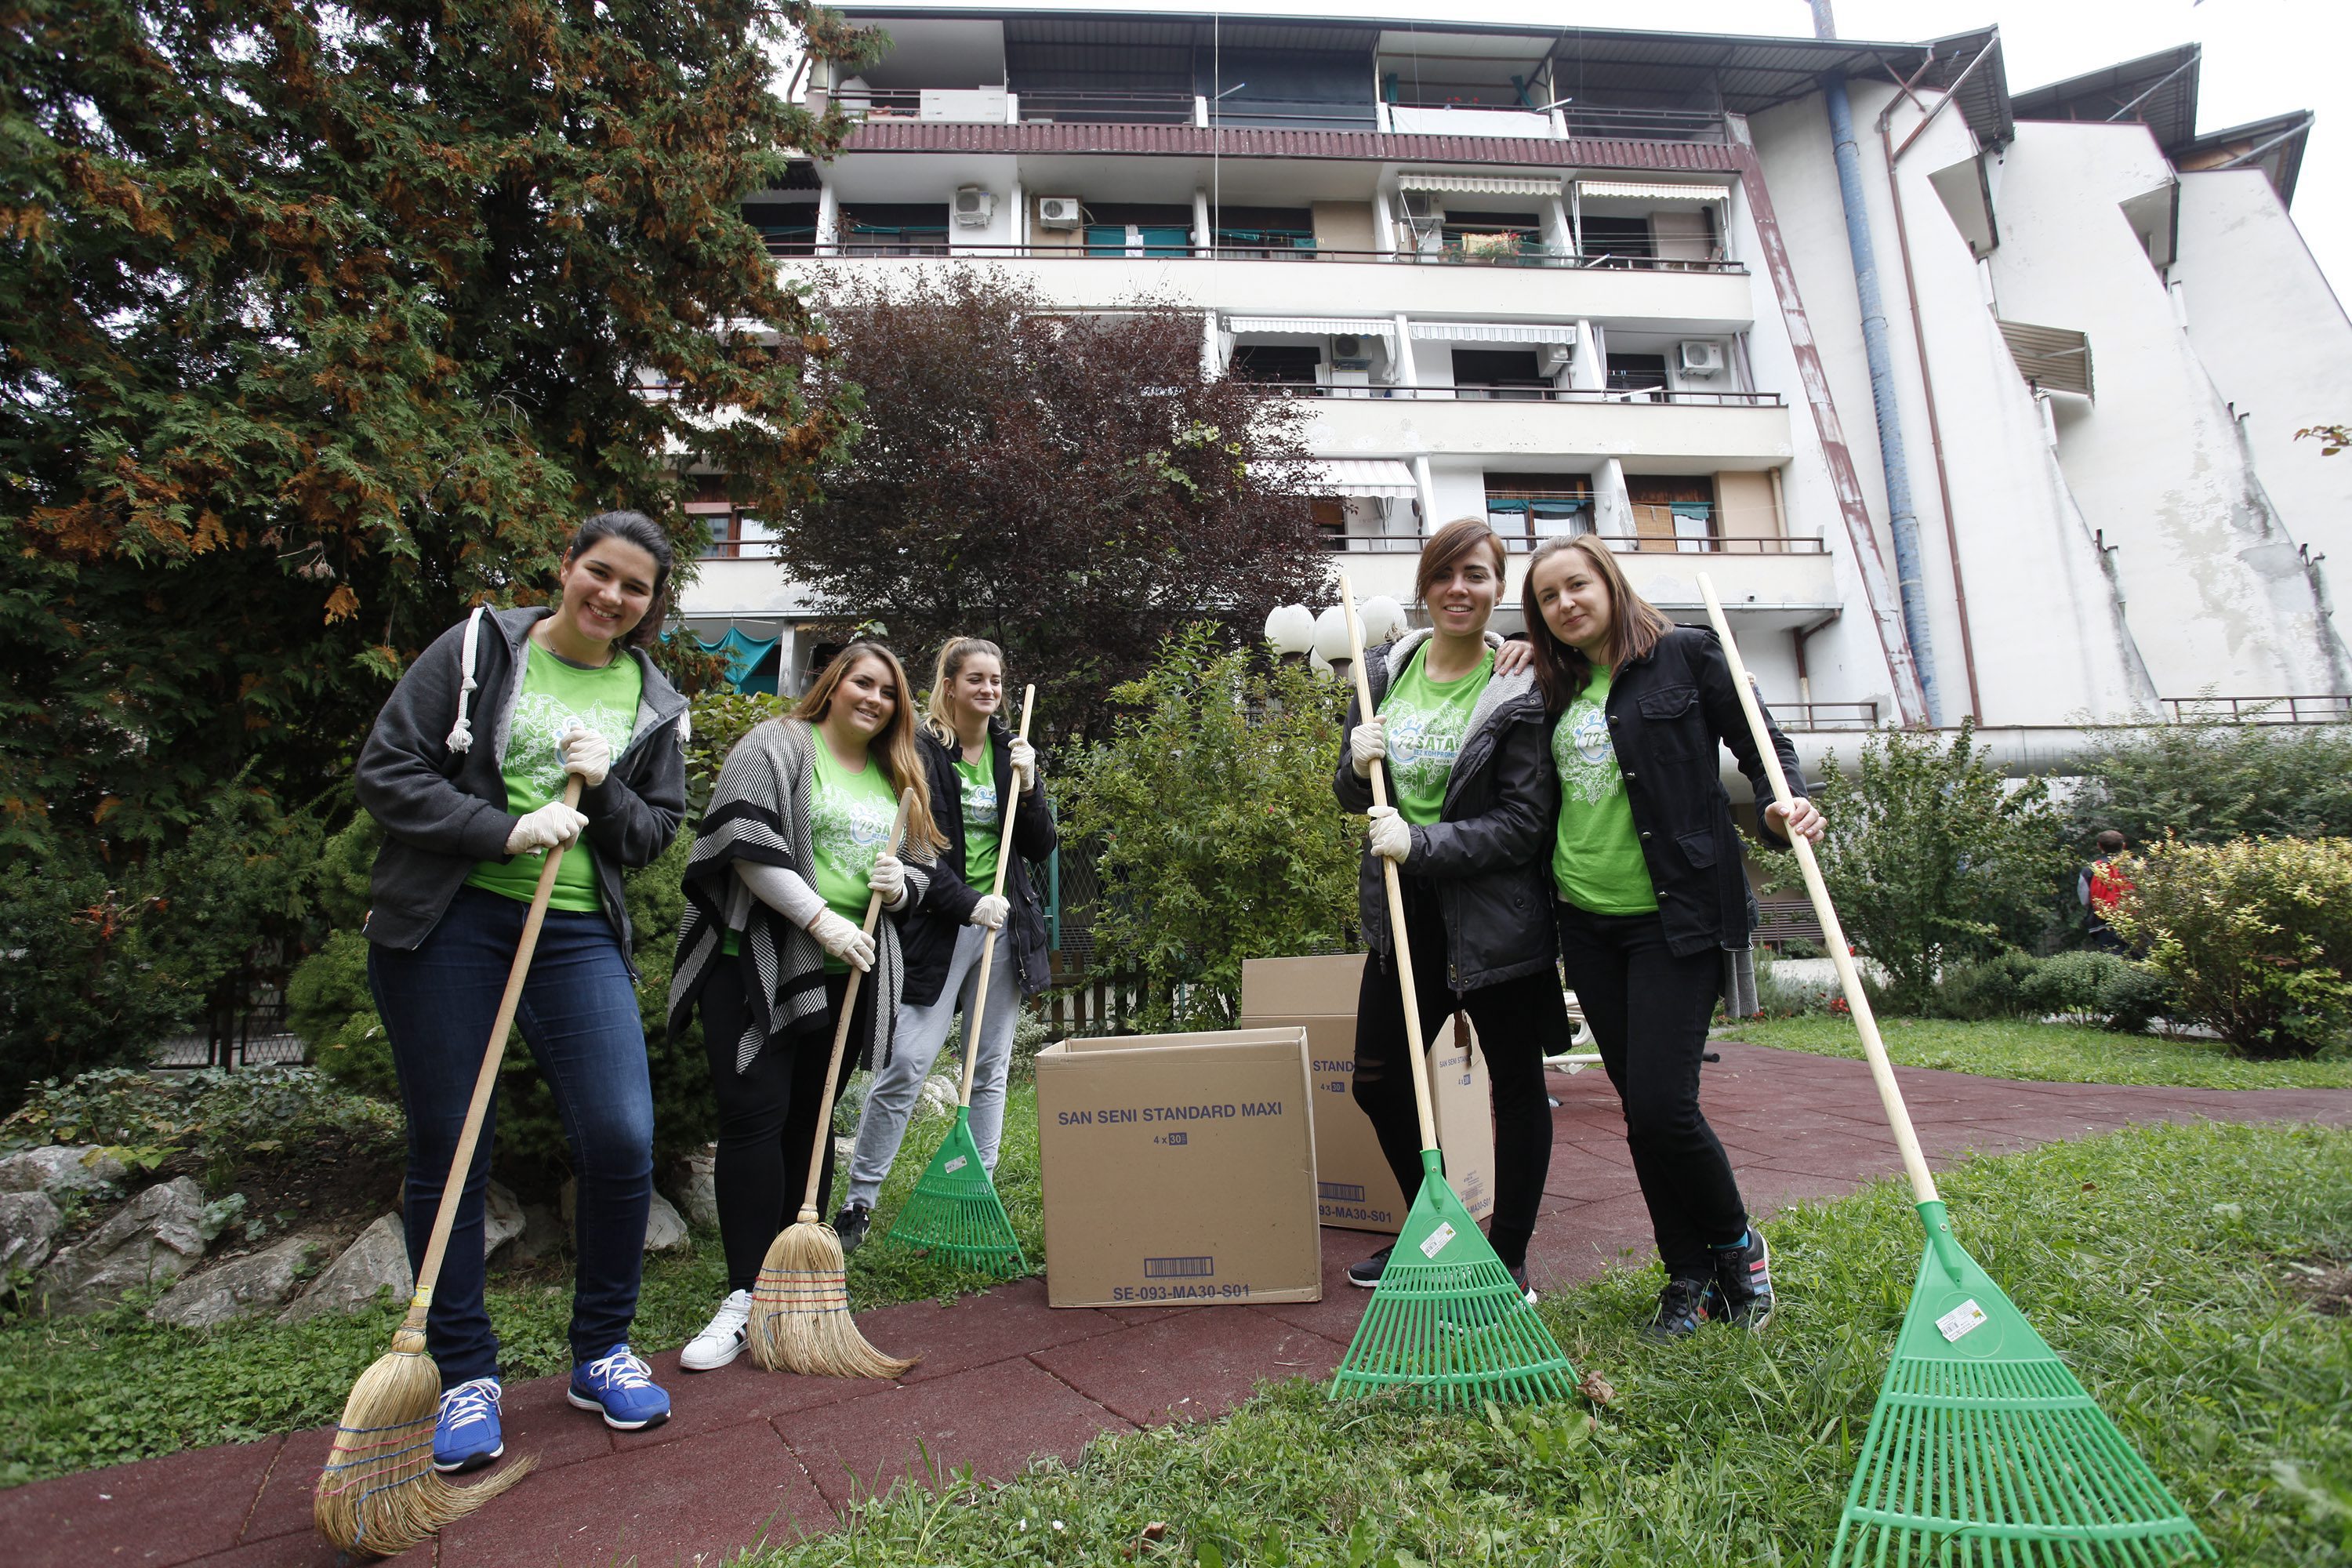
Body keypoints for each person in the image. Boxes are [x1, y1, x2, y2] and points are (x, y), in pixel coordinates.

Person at [355, 510, 689, 1472]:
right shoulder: (476, 646)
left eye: (636, 587)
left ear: (649, 604)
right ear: (566, 566)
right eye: (601, 572)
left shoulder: (651, 697)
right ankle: (465, 1369)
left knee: (623, 1134)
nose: (613, 597)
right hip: (450, 924)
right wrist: (499, 828)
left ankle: (603, 1351)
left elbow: (655, 831)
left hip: (575, 932)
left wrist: (606, 786)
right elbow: (387, 771)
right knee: (454, 1145)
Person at [1521, 534, 1821, 1338]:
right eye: (1548, 596)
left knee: (1661, 1105)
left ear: (1608, 583)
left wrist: (1781, 803)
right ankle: (1686, 1275)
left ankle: (1736, 1246)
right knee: (1640, 1109)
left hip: (1675, 916)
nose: (1566, 604)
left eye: (1576, 585)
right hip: (1586, 921)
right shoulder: (1551, 689)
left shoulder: (1687, 655)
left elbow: (1763, 749)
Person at [670, 641, 942, 1371]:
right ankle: (741, 1296)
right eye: (862, 681)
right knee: (754, 1120)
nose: (874, 698)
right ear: (833, 683)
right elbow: (745, 842)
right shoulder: (777, 743)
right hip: (757, 966)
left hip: (848, 977)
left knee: (812, 1125)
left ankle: (794, 1287)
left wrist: (904, 884)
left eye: (889, 691)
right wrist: (822, 920)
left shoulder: (900, 774)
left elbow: (926, 868)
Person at [1334, 517, 1569, 1305]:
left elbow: (1524, 824)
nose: (1458, 589)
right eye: (1444, 575)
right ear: (1425, 585)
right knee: (1377, 1081)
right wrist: (1354, 760)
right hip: (1405, 916)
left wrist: (1422, 841)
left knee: (1515, 1087)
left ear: (1499, 587)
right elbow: (1355, 797)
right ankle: (1435, 1229)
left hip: (1497, 920)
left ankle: (1509, 1260)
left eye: (1476, 575)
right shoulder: (1387, 669)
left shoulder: (1518, 682)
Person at [833, 637, 1056, 1250]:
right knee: (906, 1062)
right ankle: (860, 1198)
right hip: (941, 926)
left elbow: (1039, 846)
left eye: (997, 679)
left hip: (1004, 926)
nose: (989, 690)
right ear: (951, 685)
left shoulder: (1013, 749)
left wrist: (1031, 786)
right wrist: (967, 903)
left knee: (989, 1067)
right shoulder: (926, 753)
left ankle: (975, 1186)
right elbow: (917, 852)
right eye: (976, 679)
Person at [2079, 829, 2131, 953]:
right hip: (2134, 924)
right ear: (2123, 845)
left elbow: (2085, 900)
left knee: (2115, 965)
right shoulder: (2136, 866)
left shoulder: (2089, 870)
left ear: (2099, 846)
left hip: (2102, 925)